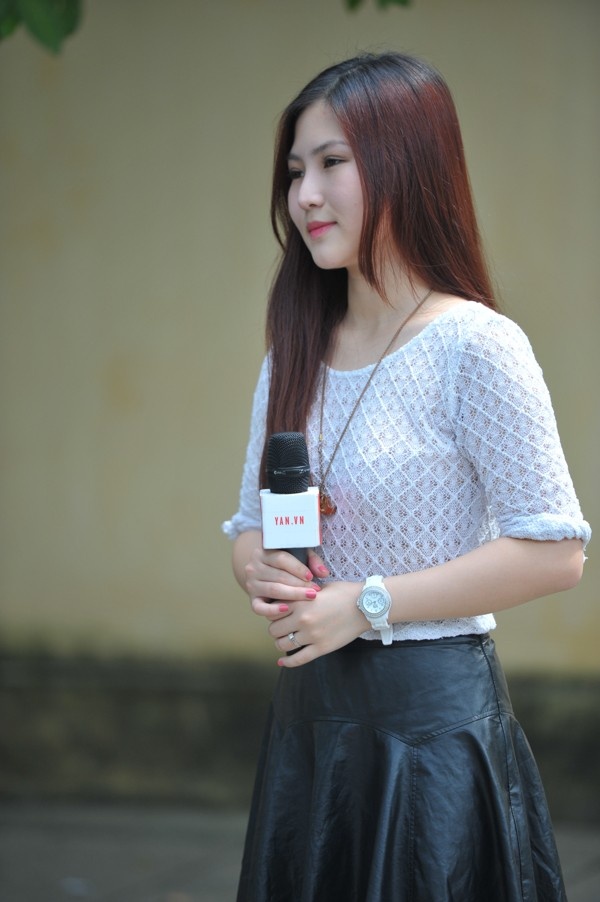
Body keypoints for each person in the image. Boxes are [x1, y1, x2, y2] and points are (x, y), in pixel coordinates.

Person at [222, 51, 591, 902]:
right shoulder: (294, 351)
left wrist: (367, 602)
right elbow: (246, 528)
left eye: (332, 163)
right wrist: (260, 569)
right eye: (295, 172)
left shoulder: (476, 347)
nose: (305, 195)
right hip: (309, 726)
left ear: (407, 163)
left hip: (430, 734)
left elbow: (555, 549)